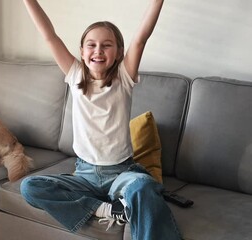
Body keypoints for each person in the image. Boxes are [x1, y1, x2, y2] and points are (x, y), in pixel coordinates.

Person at [20, 0, 182, 239]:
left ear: (118, 53)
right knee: (30, 187)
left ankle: (123, 205)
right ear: (82, 52)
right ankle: (106, 209)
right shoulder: (75, 76)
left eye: (107, 45)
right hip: (85, 176)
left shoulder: (124, 79)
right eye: (91, 45)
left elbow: (141, 38)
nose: (98, 50)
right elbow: (49, 36)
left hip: (121, 174)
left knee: (144, 187)